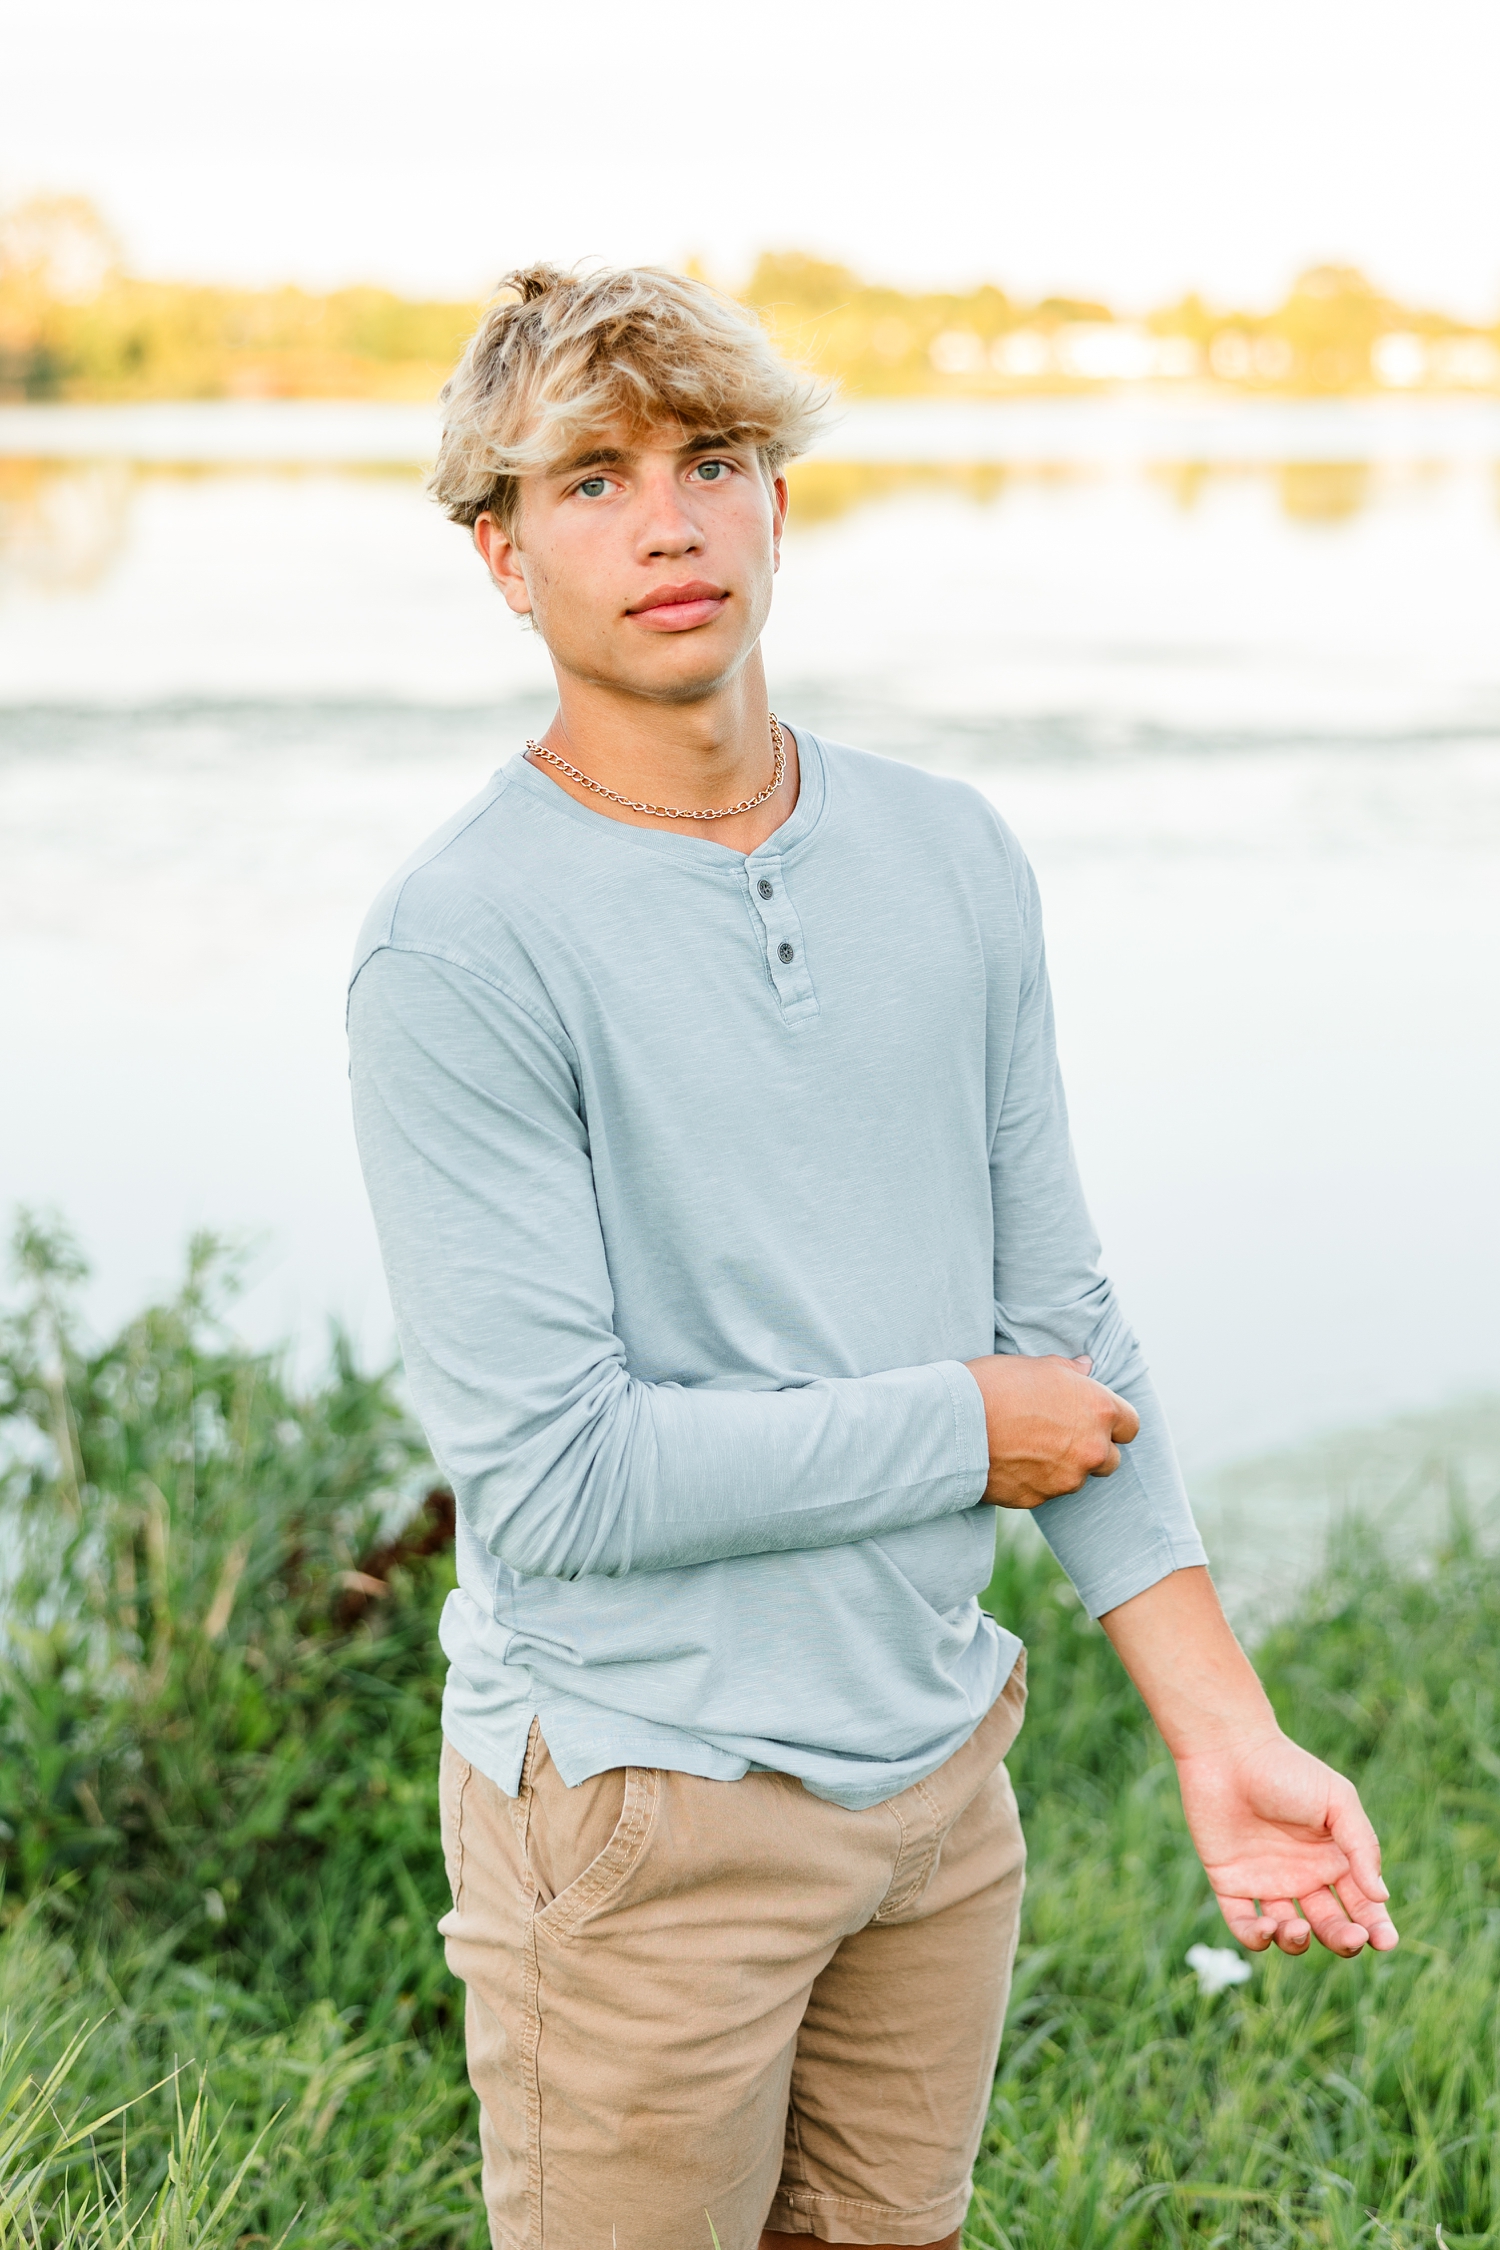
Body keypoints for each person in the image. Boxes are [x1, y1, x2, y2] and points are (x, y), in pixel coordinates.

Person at [347, 264, 1397, 2250]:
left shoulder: (949, 853)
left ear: (778, 501)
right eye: (588, 479)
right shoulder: (460, 948)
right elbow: (560, 1484)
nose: (666, 521)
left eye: (713, 459)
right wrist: (954, 1435)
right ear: (499, 553)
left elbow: (1062, 1331)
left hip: (937, 1786)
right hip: (646, 1812)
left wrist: (1225, 1731)